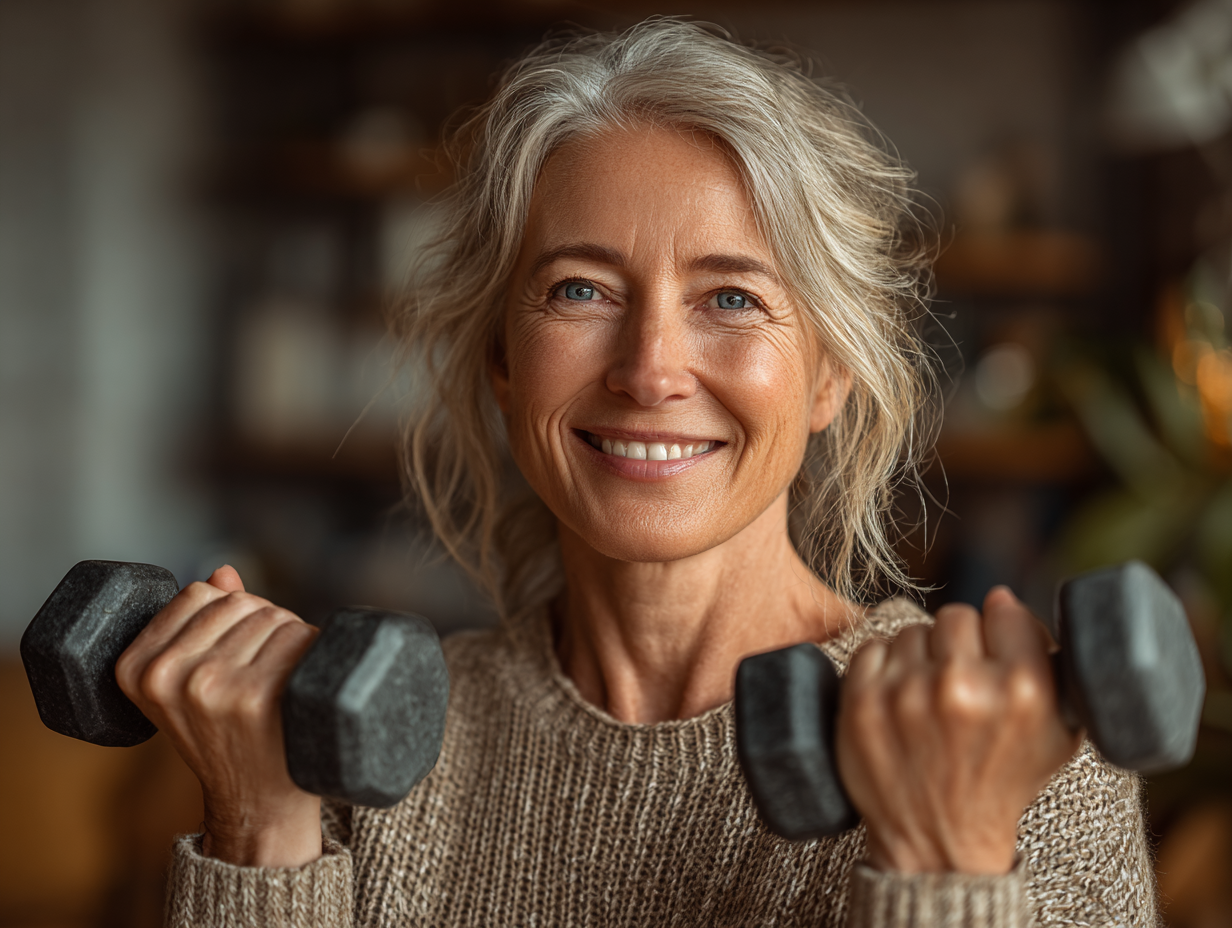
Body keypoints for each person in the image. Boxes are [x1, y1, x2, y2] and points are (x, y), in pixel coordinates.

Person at [117, 20, 1156, 927]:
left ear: (830, 371)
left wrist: (951, 870)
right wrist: (262, 833)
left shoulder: (1028, 766)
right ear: (501, 364)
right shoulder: (355, 760)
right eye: (580, 290)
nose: (650, 369)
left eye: (732, 299)